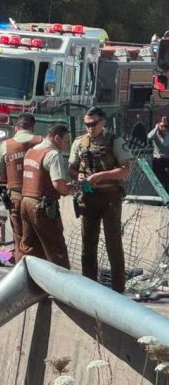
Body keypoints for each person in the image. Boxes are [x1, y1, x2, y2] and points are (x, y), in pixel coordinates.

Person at [68, 107, 132, 293]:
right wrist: (78, 175)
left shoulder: (115, 141)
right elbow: (71, 167)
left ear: (103, 122)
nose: (90, 128)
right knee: (88, 243)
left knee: (113, 243)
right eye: (87, 124)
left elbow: (125, 170)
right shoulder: (79, 142)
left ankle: (118, 288)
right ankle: (89, 287)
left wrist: (102, 176)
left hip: (110, 197)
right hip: (89, 197)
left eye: (93, 124)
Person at [19, 124, 74, 267]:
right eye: (65, 140)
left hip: (25, 202)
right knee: (55, 248)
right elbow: (59, 185)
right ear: (57, 138)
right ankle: (60, 284)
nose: (65, 144)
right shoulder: (53, 154)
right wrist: (71, 189)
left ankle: (29, 283)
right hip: (43, 206)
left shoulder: (31, 151)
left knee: (30, 246)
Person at [0, 113, 41, 255]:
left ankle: (20, 270)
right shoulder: (40, 142)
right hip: (37, 197)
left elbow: (1, 176)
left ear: (16, 128)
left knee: (19, 237)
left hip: (16, 195)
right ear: (32, 127)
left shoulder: (6, 145)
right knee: (37, 238)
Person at [148, 116, 169, 191]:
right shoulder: (155, 135)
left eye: (166, 126)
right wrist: (156, 128)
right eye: (162, 126)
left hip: (166, 160)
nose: (164, 128)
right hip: (157, 160)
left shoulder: (168, 135)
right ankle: (160, 198)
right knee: (158, 180)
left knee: (167, 180)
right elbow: (149, 137)